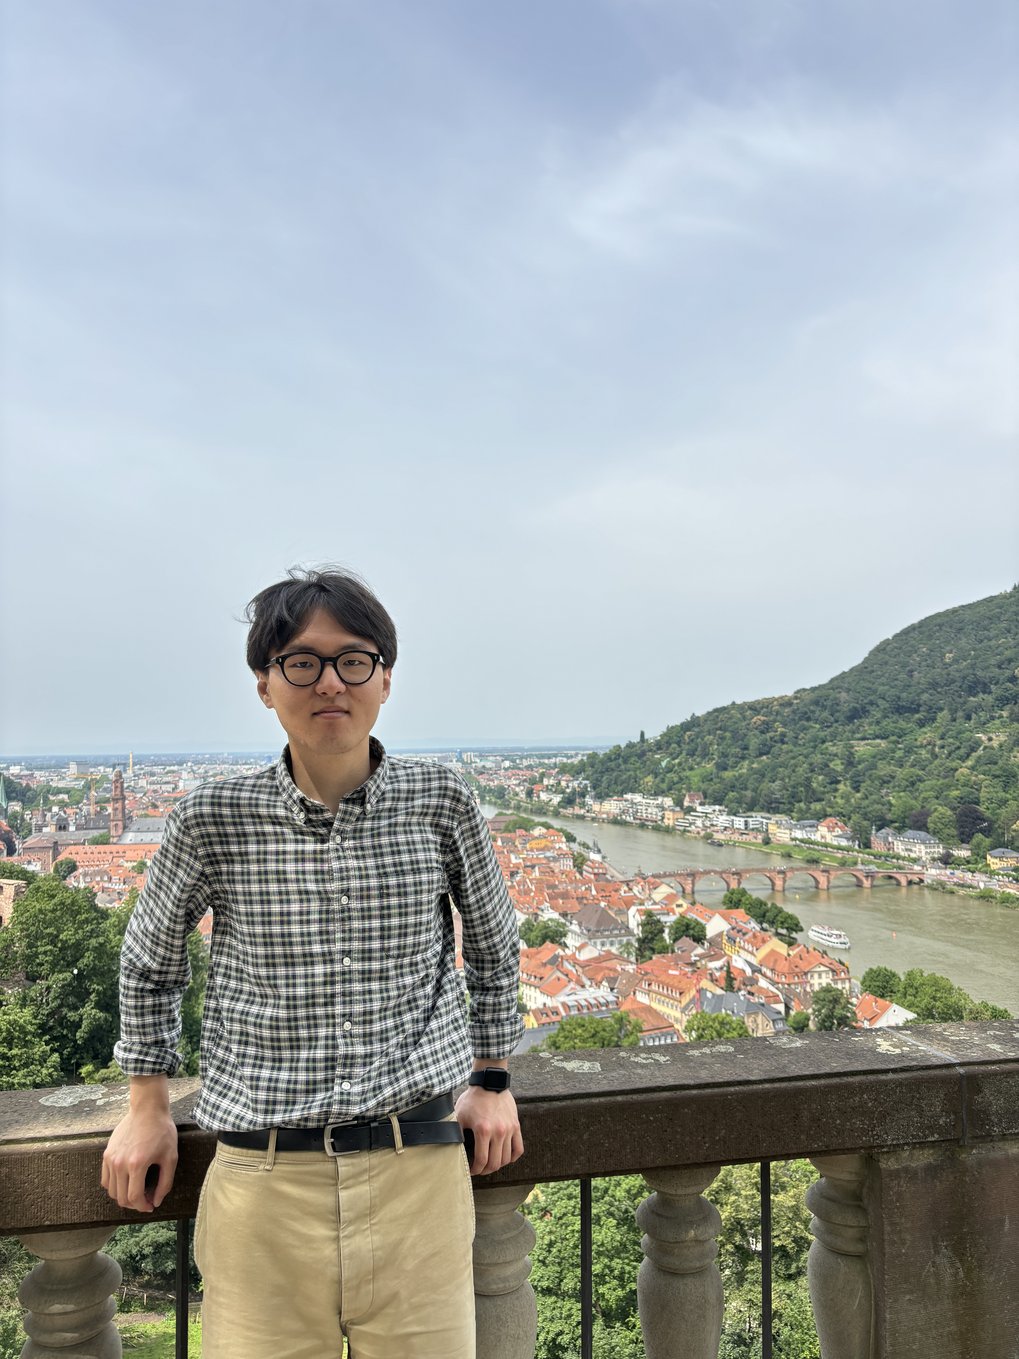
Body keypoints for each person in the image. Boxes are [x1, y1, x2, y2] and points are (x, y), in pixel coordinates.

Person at [101, 567, 524, 1359]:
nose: (329, 680)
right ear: (265, 684)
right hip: (261, 1188)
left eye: (352, 659)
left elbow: (496, 947)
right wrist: (146, 1101)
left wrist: (492, 1077)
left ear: (385, 678)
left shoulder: (442, 800)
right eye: (301, 661)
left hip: (417, 1175)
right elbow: (150, 960)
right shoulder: (211, 816)